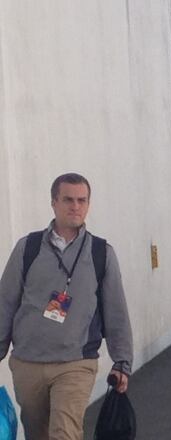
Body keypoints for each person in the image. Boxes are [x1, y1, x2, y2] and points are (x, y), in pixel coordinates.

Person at [0, 173, 133, 439]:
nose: (75, 206)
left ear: (88, 204)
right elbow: (6, 302)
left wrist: (122, 362)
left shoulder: (100, 253)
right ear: (54, 203)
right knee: (37, 434)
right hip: (28, 363)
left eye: (82, 200)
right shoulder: (28, 248)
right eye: (68, 200)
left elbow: (116, 311)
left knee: (64, 434)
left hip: (76, 363)